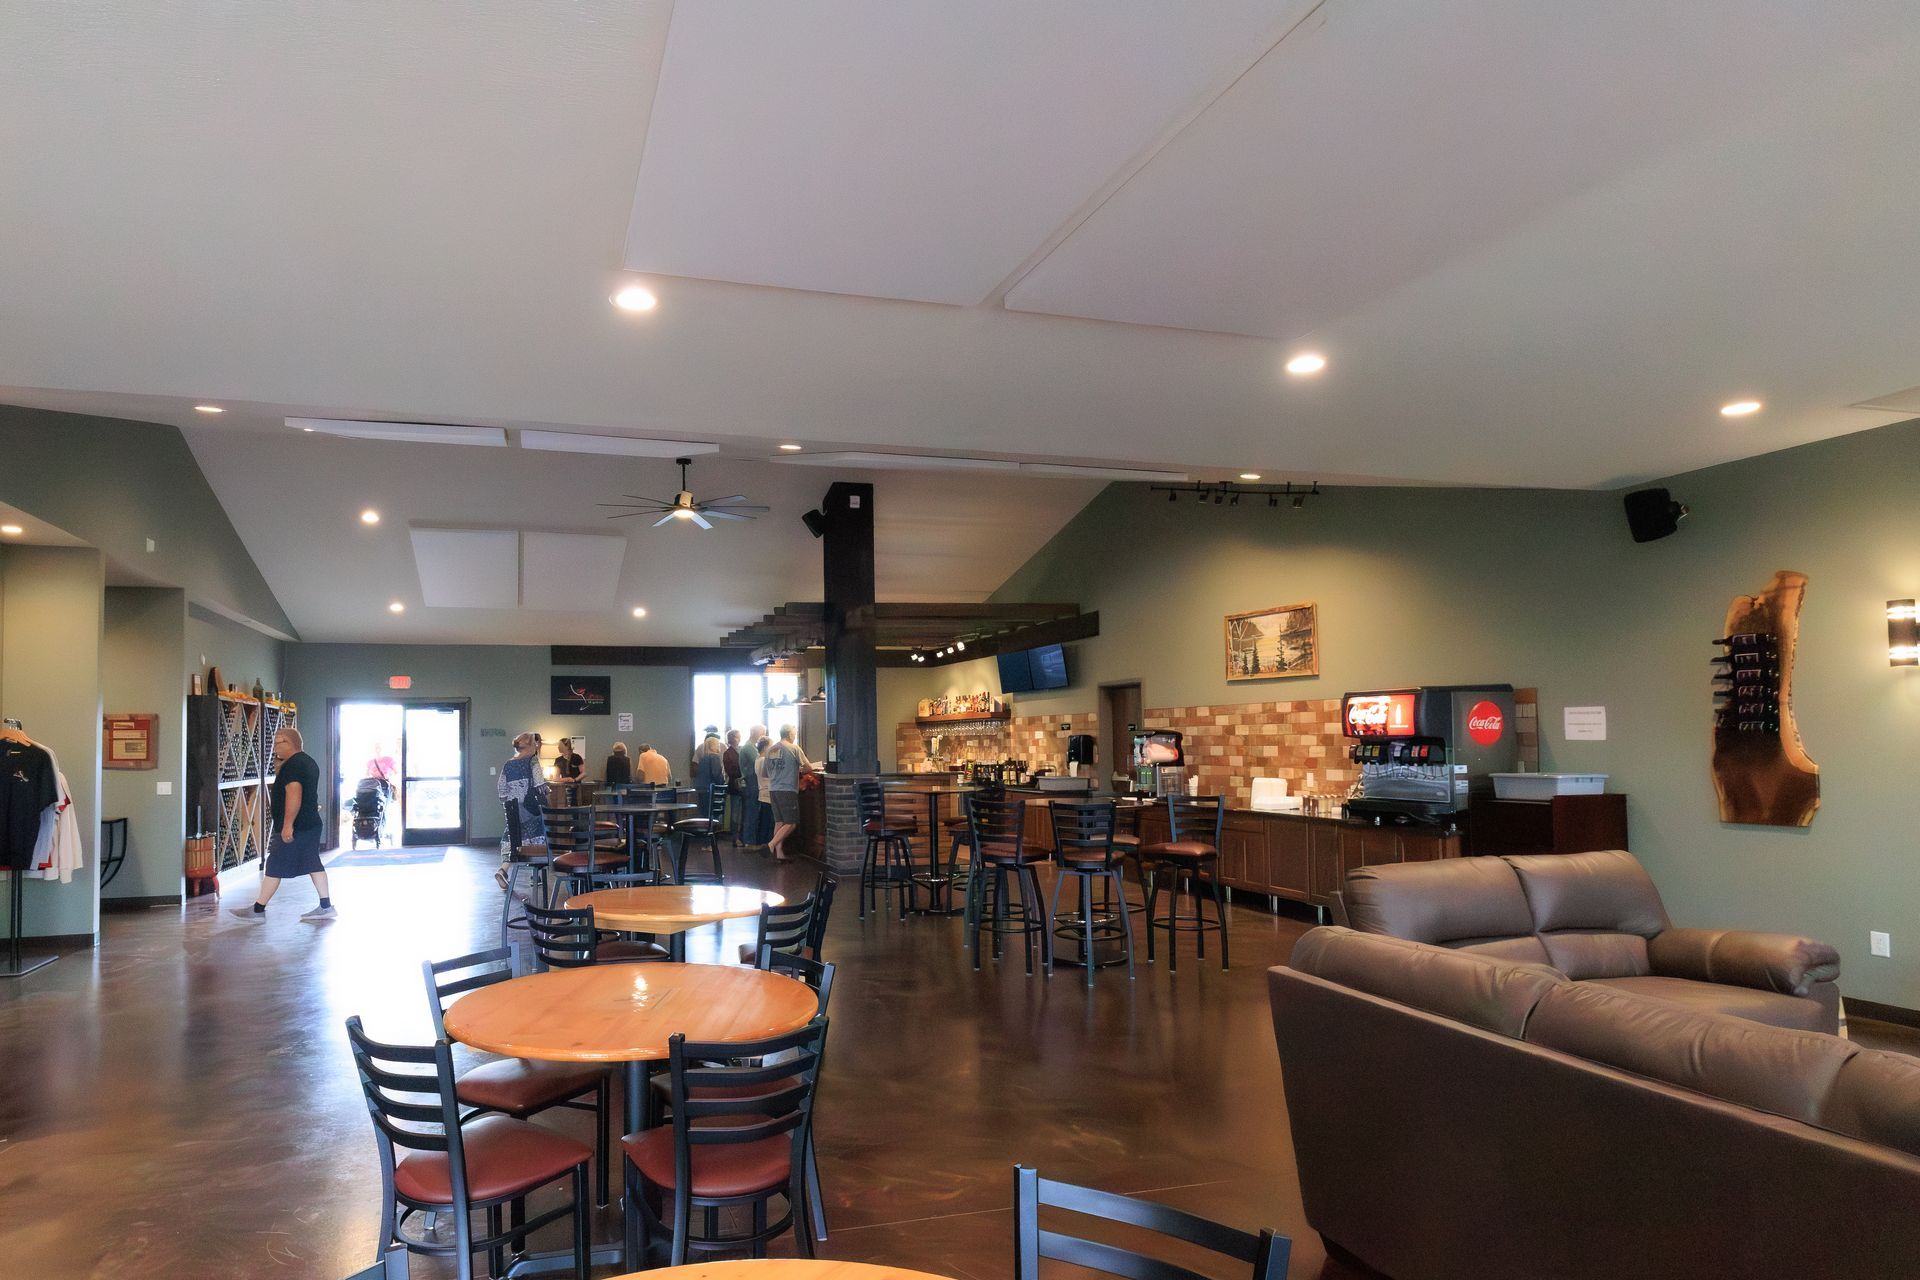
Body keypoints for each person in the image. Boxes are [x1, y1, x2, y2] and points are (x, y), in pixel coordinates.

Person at [231, 727, 331, 921]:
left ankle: (258, 910)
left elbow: (294, 793)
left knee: (275, 864)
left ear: (290, 743)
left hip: (297, 827)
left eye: (278, 743)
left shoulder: (293, 765)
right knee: (313, 863)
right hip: (310, 824)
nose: (275, 748)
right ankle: (326, 906)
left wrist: (287, 825)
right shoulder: (307, 761)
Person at [763, 724, 812, 863]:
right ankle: (770, 846)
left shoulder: (770, 749)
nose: (795, 736)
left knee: (779, 821)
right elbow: (808, 767)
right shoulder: (794, 748)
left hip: (773, 789)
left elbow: (765, 773)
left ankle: (779, 853)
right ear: (790, 734)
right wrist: (797, 770)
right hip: (787, 788)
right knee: (791, 822)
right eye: (794, 733)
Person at [497, 731, 547, 860]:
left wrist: (506, 801)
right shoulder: (532, 760)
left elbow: (501, 787)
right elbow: (539, 783)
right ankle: (535, 866)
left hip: (513, 806)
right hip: (528, 805)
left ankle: (506, 864)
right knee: (535, 833)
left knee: (514, 834)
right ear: (531, 745)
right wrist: (546, 791)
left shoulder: (508, 764)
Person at [735, 725, 763, 847]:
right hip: (751, 783)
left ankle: (747, 839)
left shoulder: (751, 747)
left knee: (750, 812)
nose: (763, 735)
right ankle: (749, 841)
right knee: (751, 813)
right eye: (762, 732)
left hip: (752, 783)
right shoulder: (749, 748)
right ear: (753, 732)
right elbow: (759, 762)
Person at [693, 735, 727, 824]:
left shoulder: (704, 758)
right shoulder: (714, 757)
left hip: (701, 787)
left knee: (703, 812)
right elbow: (716, 773)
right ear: (714, 746)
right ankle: (712, 828)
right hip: (710, 788)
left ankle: (703, 829)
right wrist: (723, 782)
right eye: (718, 745)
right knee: (711, 813)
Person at [753, 734, 774, 850]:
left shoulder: (757, 759)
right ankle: (765, 844)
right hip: (768, 792)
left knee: (763, 820)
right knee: (767, 821)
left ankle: (761, 842)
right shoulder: (764, 760)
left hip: (762, 792)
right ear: (766, 747)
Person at [722, 729, 743, 835]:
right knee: (735, 811)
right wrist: (742, 770)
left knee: (740, 811)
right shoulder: (728, 753)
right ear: (734, 738)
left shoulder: (740, 750)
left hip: (740, 784)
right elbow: (730, 771)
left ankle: (740, 834)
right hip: (735, 784)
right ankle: (735, 835)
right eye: (738, 736)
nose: (740, 738)